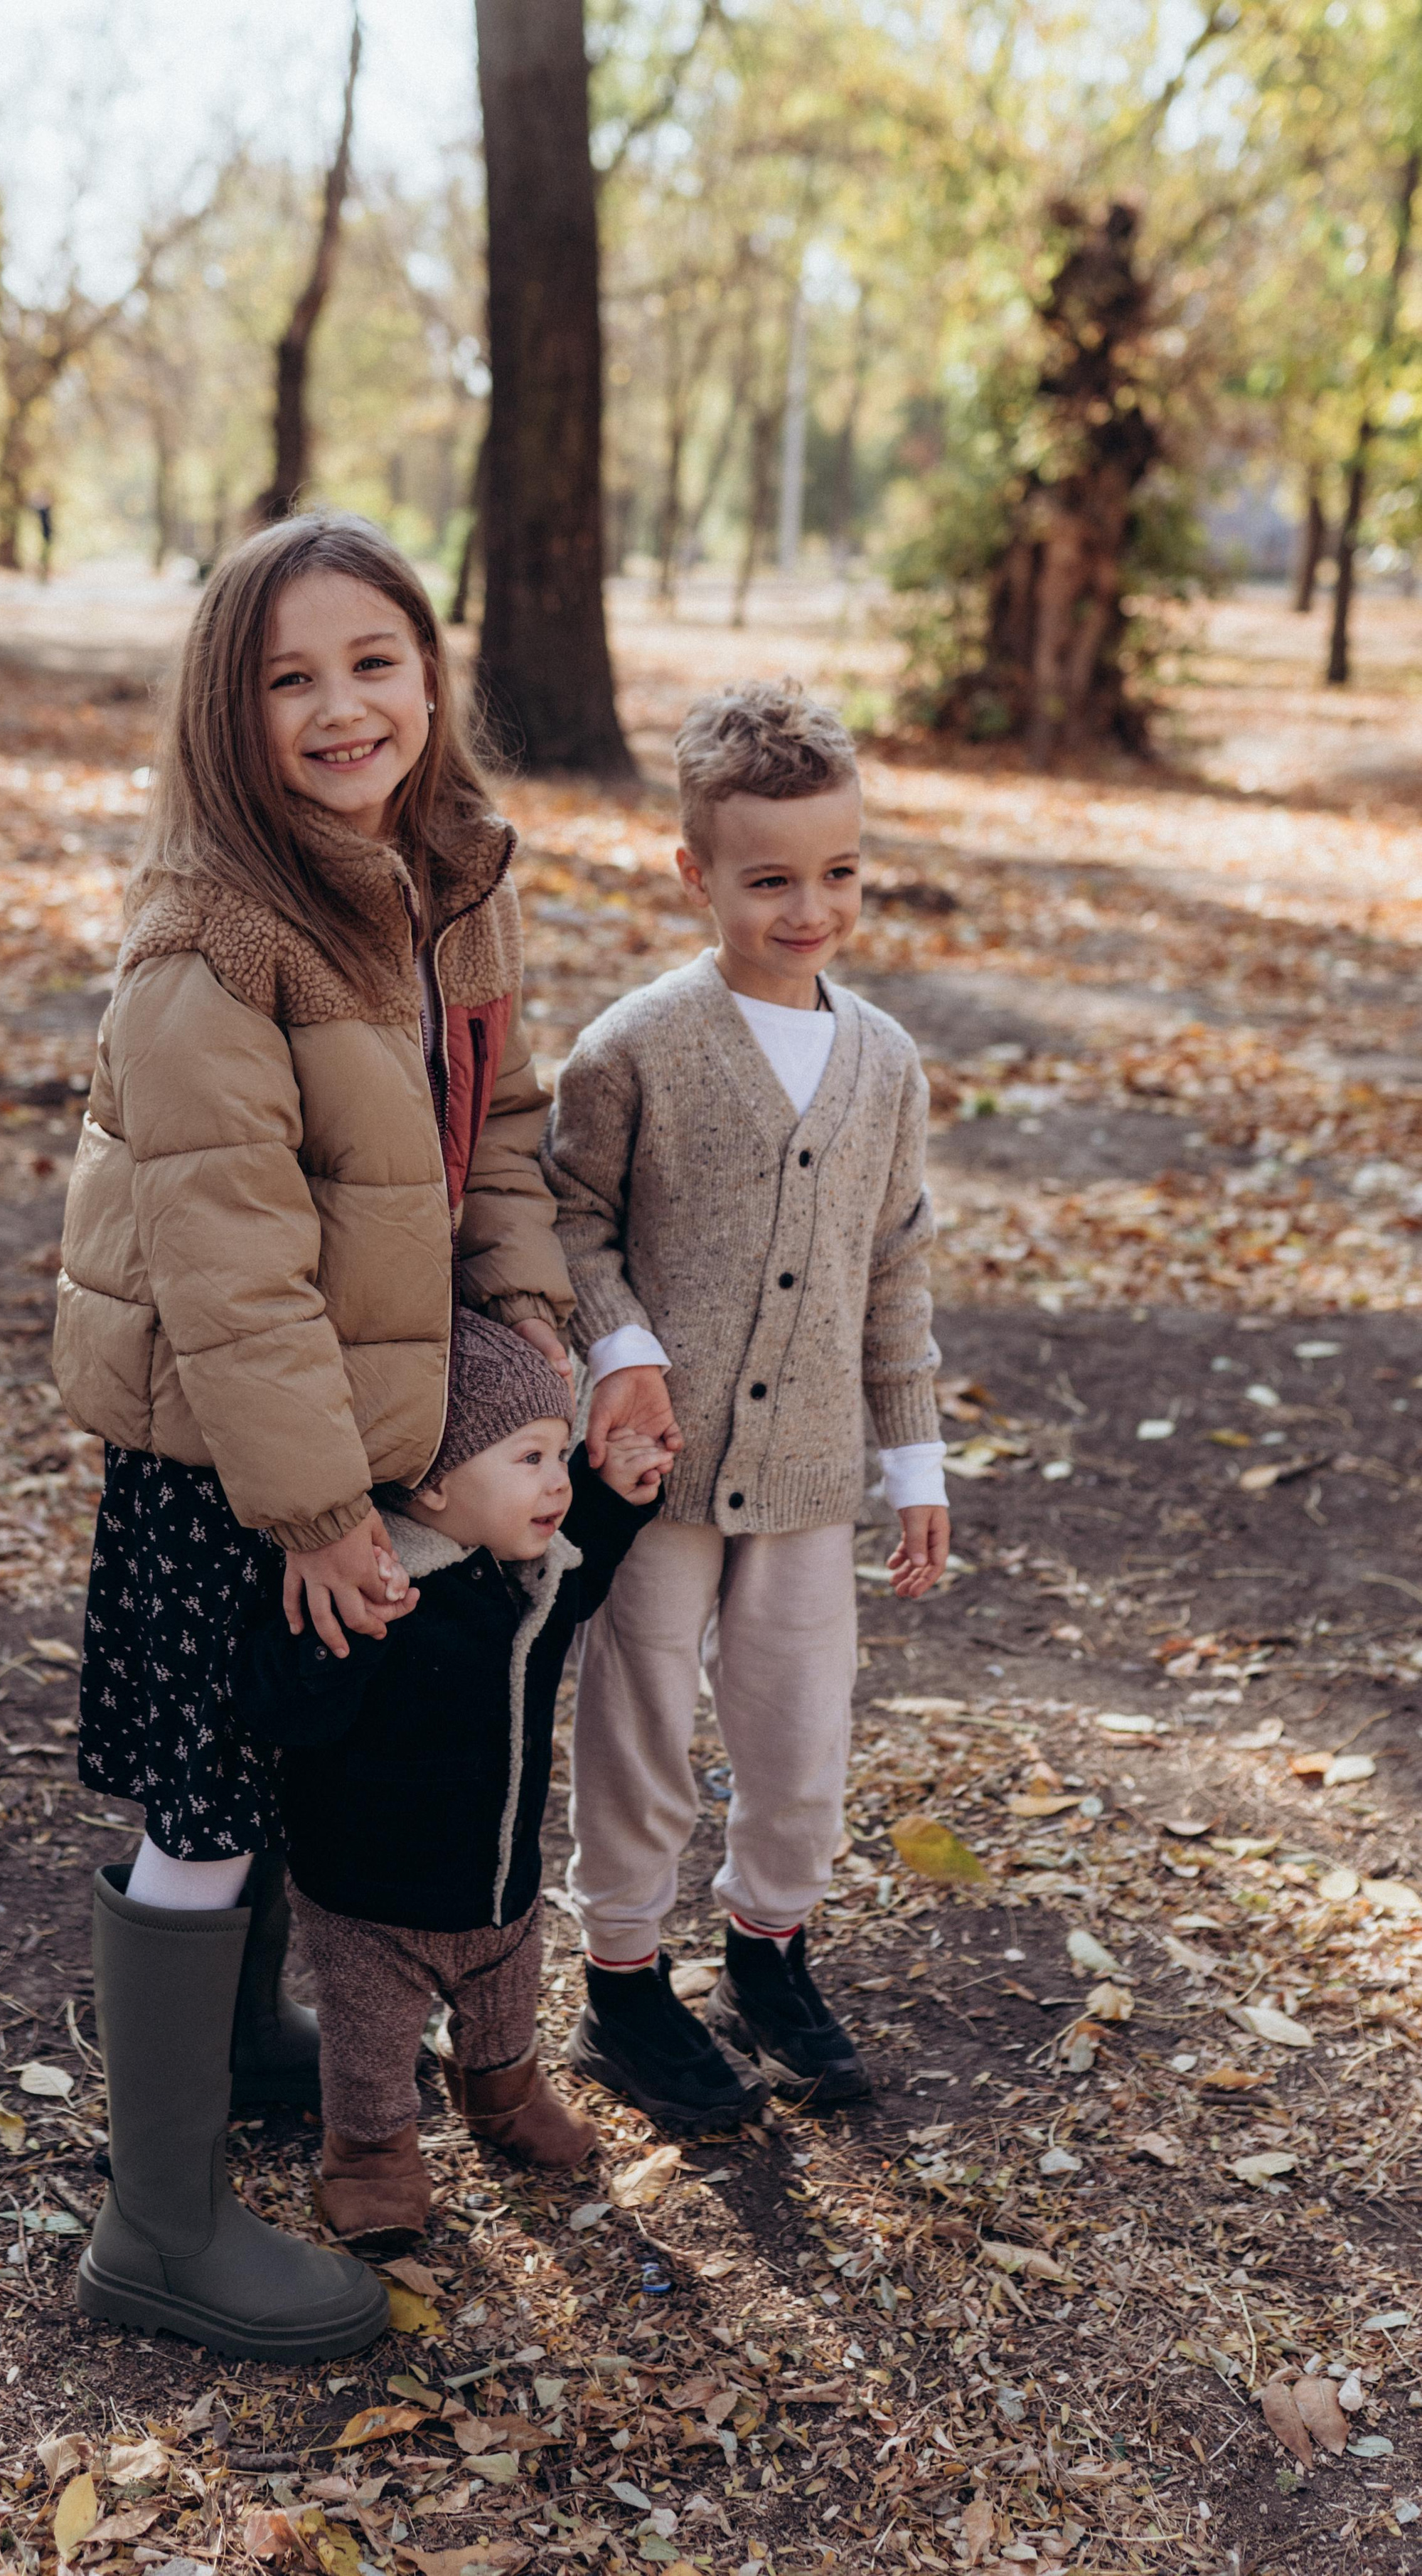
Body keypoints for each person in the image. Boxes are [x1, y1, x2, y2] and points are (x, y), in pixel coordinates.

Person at [53, 512, 574, 2357]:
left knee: (289, 1752)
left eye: (377, 660)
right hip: (230, 1454)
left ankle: (246, 2037)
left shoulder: (454, 871)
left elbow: (497, 1128)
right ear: (228, 711)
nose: (344, 706)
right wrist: (321, 1501)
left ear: (434, 670)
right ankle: (160, 2225)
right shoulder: (217, 946)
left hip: (371, 1398)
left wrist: (528, 1337)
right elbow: (232, 1270)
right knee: (202, 1792)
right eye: (291, 678)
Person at [541, 678, 951, 2129]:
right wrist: (618, 1351)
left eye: (835, 873)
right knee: (639, 1722)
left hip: (808, 1474)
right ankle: (623, 1981)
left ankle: (767, 1954)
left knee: (795, 1734)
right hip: (655, 1464)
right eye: (767, 878)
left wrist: (914, 1465)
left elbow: (891, 1262)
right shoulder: (636, 1044)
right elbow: (566, 1220)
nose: (806, 907)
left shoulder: (885, 1062)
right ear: (693, 871)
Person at [235, 1313, 668, 2252]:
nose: (557, 1480)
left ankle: (501, 2089)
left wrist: (620, 1495)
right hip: (368, 1898)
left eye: (561, 1452)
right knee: (369, 2045)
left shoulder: (531, 1571)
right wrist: (337, 1639)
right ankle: (371, 2154)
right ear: (430, 1487)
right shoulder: (374, 1582)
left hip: (501, 1877)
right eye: (528, 1458)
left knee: (505, 1996)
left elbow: (580, 1564)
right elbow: (282, 1710)